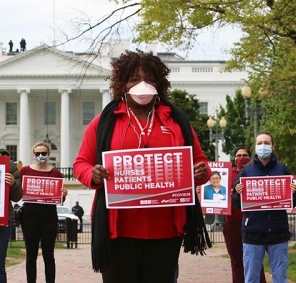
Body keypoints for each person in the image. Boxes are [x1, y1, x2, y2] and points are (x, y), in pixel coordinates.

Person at [73, 49, 212, 283]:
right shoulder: (103, 122)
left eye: (149, 78)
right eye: (135, 79)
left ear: (159, 83)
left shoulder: (176, 121)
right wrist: (93, 174)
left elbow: (200, 162)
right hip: (118, 230)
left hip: (166, 230)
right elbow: (81, 164)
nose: (143, 85)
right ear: (122, 84)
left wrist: (200, 171)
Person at [232, 131, 296, 283]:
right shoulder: (246, 172)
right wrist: (238, 193)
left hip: (278, 233)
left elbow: (292, 202)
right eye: (260, 143)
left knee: (280, 278)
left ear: (273, 146)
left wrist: (293, 194)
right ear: (255, 147)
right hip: (253, 233)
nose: (263, 146)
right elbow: (235, 203)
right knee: (251, 278)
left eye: (266, 143)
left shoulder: (282, 170)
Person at [20, 141, 68, 283]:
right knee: (31, 255)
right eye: (37, 153)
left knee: (49, 255)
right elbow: (18, 193)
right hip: (30, 215)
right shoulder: (25, 171)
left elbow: (58, 199)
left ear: (49, 154)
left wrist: (63, 195)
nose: (40, 156)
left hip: (49, 216)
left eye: (43, 153)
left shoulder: (56, 173)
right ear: (33, 154)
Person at [223, 146, 266, 283]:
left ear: (249, 157)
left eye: (244, 155)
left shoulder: (256, 173)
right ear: (234, 158)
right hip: (232, 223)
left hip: (252, 222)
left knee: (255, 259)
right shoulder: (227, 174)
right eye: (238, 155)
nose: (241, 158)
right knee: (236, 261)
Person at [0, 149, 22, 283]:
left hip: (3, 220)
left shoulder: (8, 164)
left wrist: (13, 184)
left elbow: (18, 196)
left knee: (0, 264)